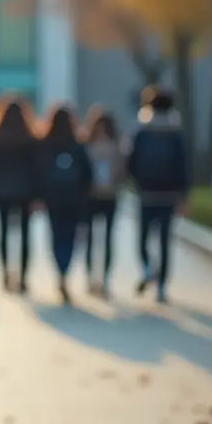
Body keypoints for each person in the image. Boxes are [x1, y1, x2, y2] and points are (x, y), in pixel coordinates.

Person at [126, 86, 191, 304]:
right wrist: (183, 195)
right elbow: (183, 167)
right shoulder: (175, 133)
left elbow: (131, 163)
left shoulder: (142, 131)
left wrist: (136, 183)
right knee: (164, 241)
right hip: (169, 195)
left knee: (143, 239)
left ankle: (147, 268)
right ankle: (162, 286)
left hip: (146, 194)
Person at [0, 94, 39, 294]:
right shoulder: (30, 138)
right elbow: (37, 168)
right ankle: (22, 277)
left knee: (3, 232)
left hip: (2, 191)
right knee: (25, 234)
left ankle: (5, 273)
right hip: (25, 192)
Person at [35, 104, 93, 306]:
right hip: (74, 198)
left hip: (53, 199)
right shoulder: (77, 145)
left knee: (56, 235)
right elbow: (88, 175)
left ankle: (60, 272)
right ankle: (65, 272)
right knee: (70, 237)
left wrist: (39, 197)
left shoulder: (45, 144)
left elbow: (39, 174)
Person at [81, 106, 125, 299]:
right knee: (90, 239)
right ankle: (90, 278)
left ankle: (105, 279)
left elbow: (123, 172)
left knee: (107, 239)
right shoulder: (86, 145)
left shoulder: (117, 147)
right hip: (91, 197)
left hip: (110, 196)